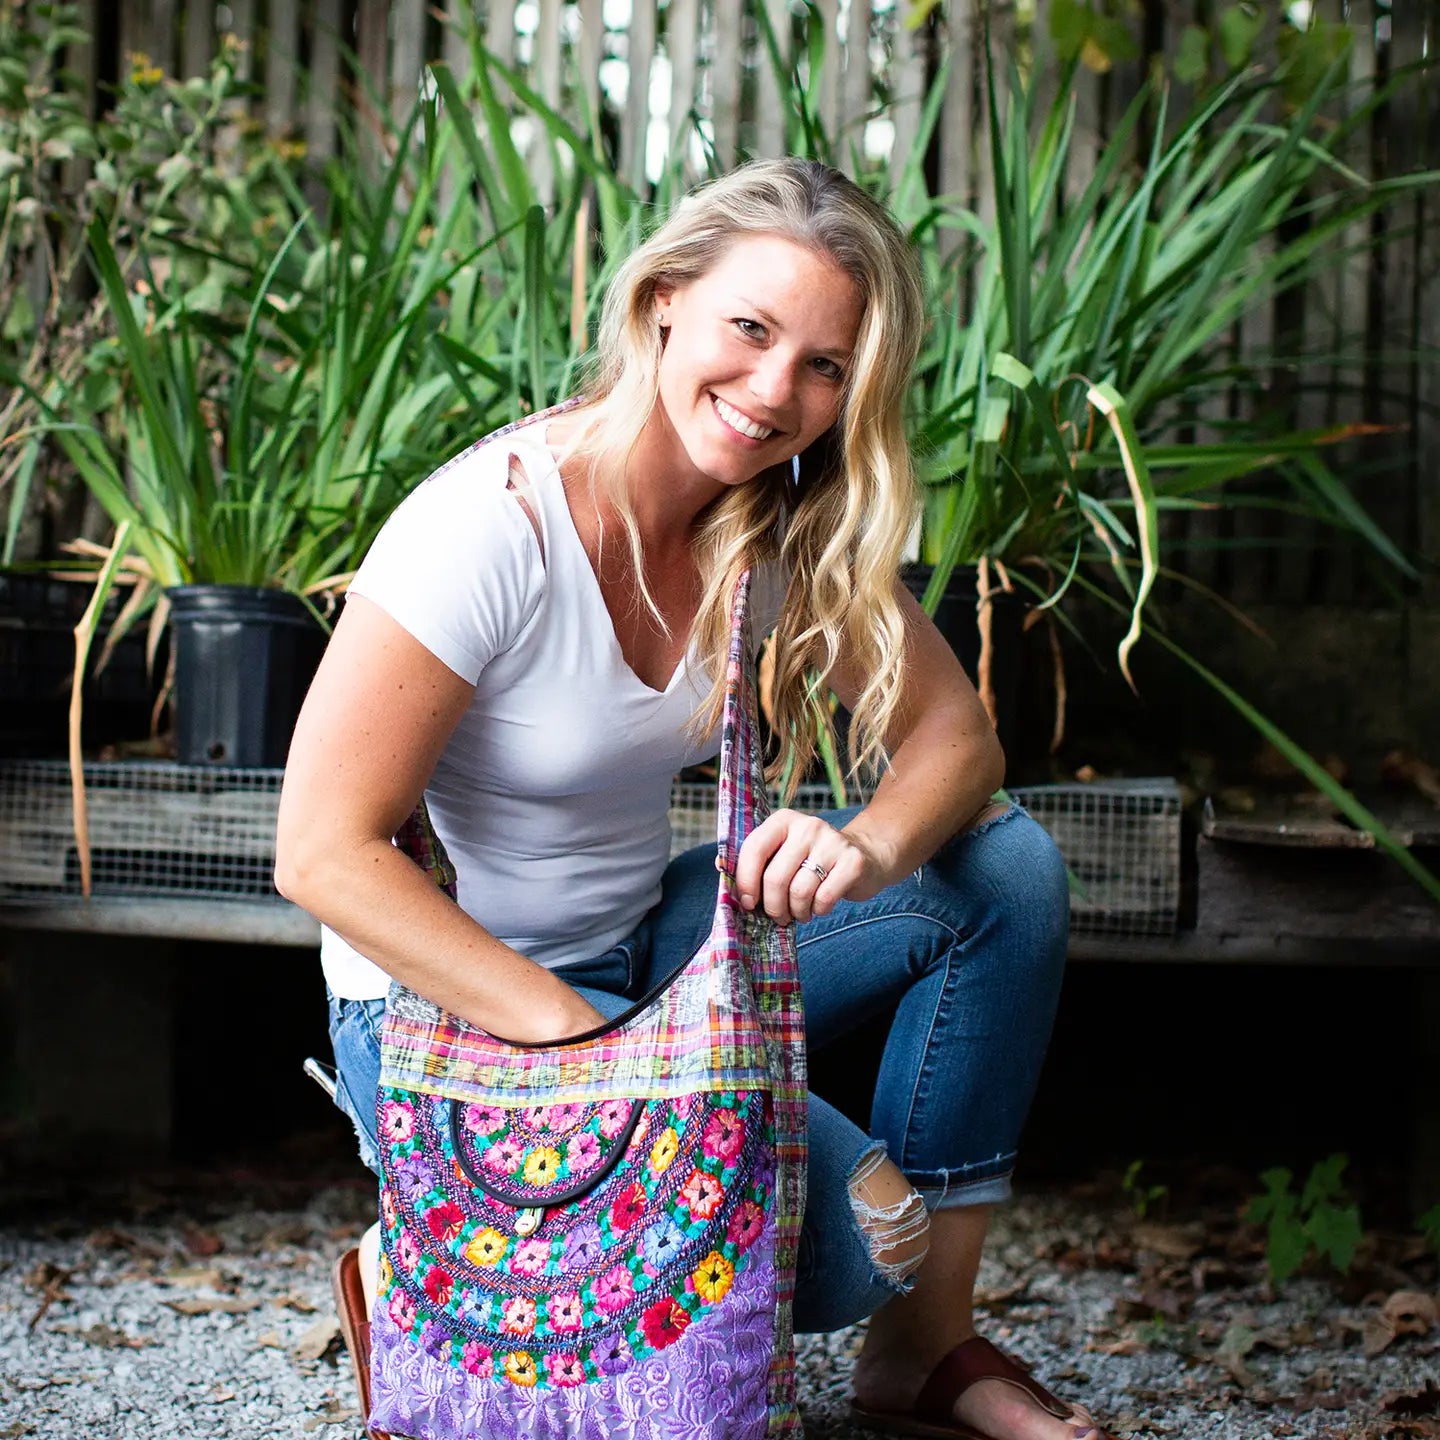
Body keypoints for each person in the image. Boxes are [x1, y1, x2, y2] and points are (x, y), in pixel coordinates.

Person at [276, 157, 1105, 1440]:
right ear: (665, 302)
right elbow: (324, 851)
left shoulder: (766, 529)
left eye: (825, 366)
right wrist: (582, 1047)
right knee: (843, 1236)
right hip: (452, 1002)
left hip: (647, 950)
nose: (777, 390)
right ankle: (425, 1263)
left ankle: (921, 1350)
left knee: (1002, 871)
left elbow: (957, 739)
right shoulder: (488, 528)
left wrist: (867, 845)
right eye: (751, 329)